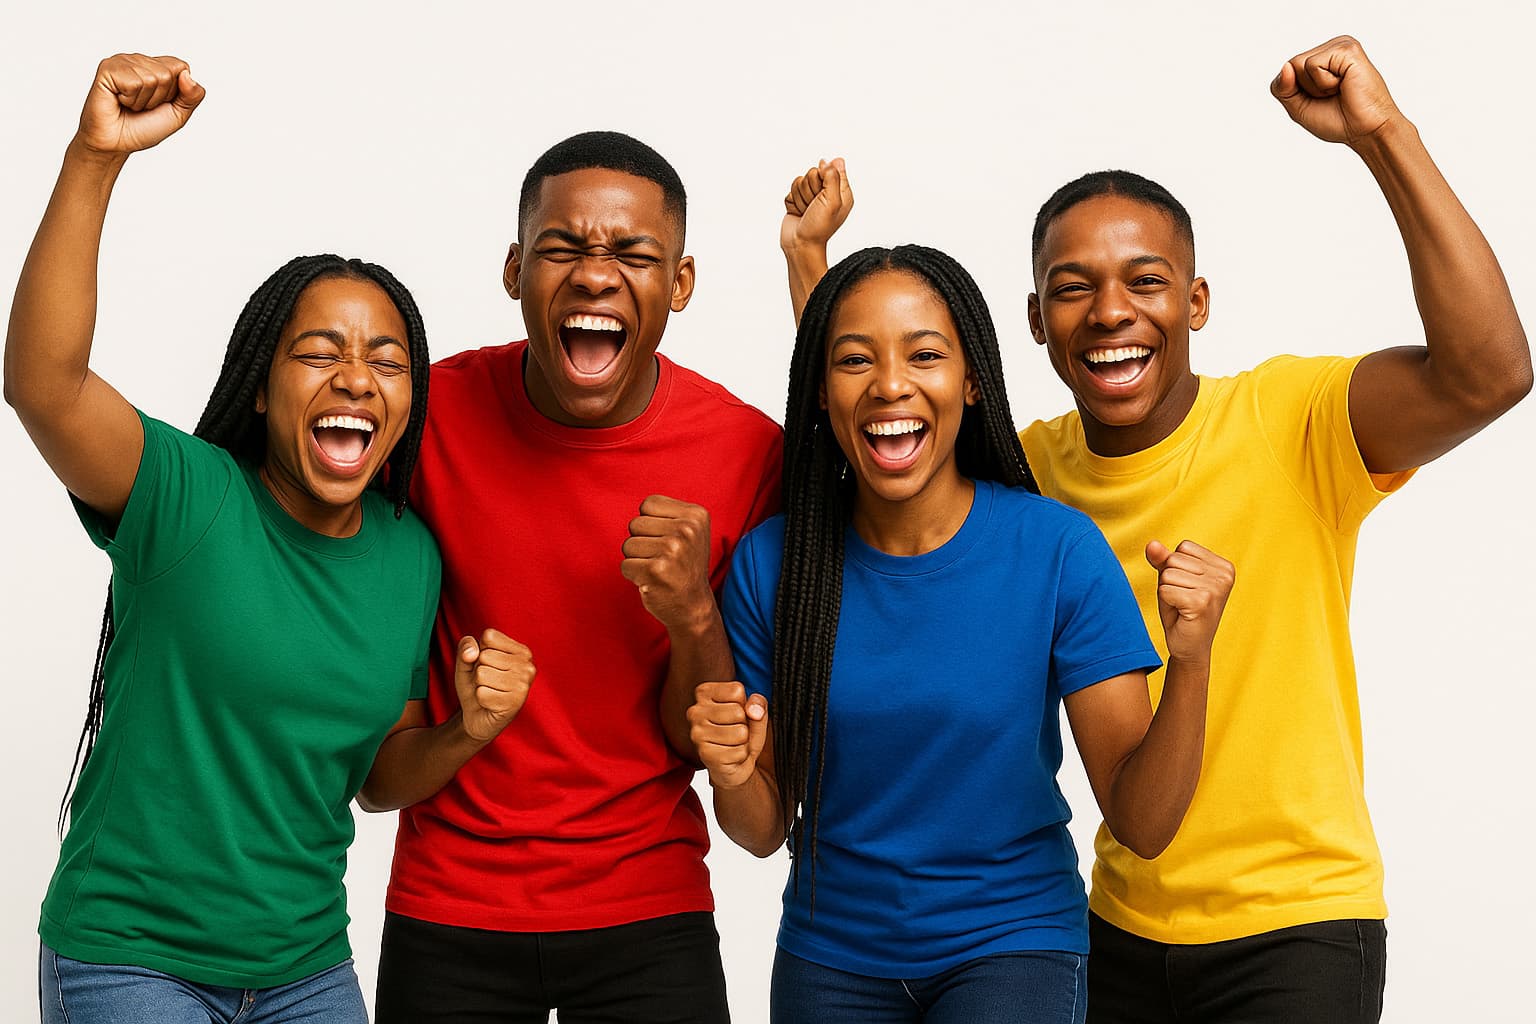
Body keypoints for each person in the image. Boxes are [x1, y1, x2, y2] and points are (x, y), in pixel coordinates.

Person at [783, 36, 1532, 1024]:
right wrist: (810, 266)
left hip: (1297, 928)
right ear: (1036, 322)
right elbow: (874, 433)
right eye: (1073, 287)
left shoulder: (1293, 420)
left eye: (1144, 281)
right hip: (1117, 927)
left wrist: (1383, 136)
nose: (1110, 313)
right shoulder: (1031, 478)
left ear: (1195, 301)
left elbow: (1490, 374)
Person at [6, 54, 531, 1023]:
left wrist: (465, 731)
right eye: (318, 352)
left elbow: (377, 778)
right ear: (259, 384)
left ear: (408, 402)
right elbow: (43, 383)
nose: (355, 378)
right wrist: (94, 158)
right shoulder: (187, 496)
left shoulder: (408, 553)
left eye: (385, 359)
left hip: (304, 970)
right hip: (131, 961)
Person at [690, 244, 1234, 1023]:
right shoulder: (776, 566)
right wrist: (734, 769)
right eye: (854, 360)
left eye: (925, 355)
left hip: (1014, 945)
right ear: (818, 391)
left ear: (972, 380)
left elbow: (1144, 826)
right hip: (829, 957)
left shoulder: (1055, 551)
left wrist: (1191, 662)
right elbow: (761, 830)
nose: (889, 384)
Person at [361, 131, 783, 1023]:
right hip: (449, 903)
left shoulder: (747, 454)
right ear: (515, 269)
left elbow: (708, 735)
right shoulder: (425, 419)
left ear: (681, 283)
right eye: (563, 248)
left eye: (633, 253)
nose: (596, 275)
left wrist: (694, 613)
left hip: (649, 903)